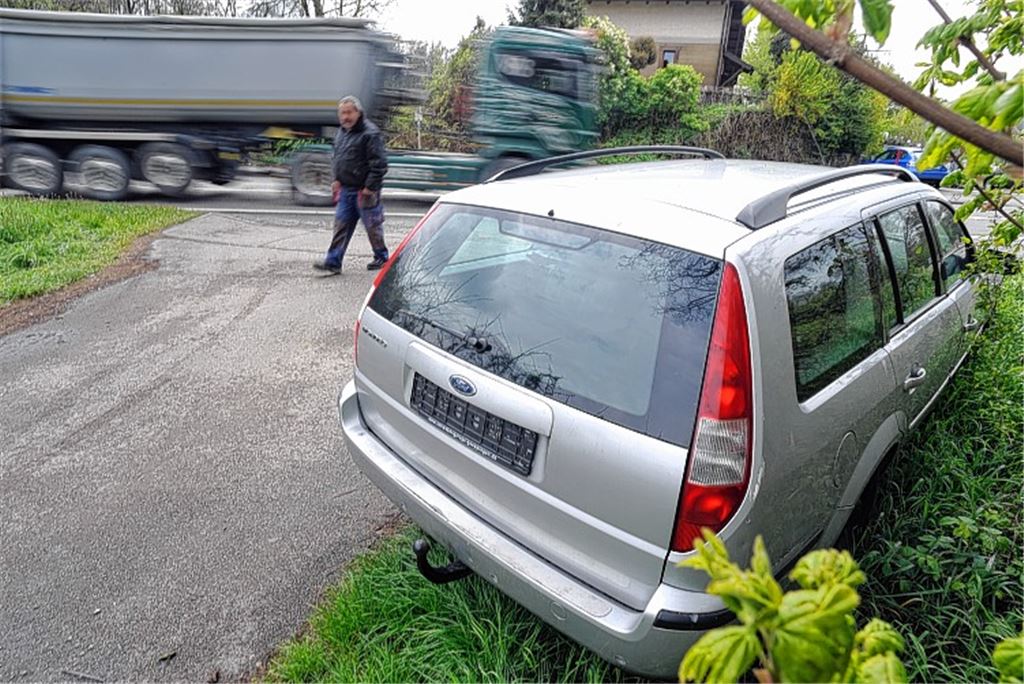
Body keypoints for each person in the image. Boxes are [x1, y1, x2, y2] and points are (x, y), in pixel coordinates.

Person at [314, 95, 389, 274]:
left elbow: (380, 164)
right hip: (346, 190)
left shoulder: (371, 134)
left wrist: (370, 187)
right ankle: (333, 263)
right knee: (341, 226)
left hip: (365, 192)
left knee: (372, 227)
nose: (345, 117)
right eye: (342, 113)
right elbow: (338, 158)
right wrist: (336, 179)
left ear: (358, 112)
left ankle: (381, 257)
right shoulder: (342, 132)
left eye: (349, 112)